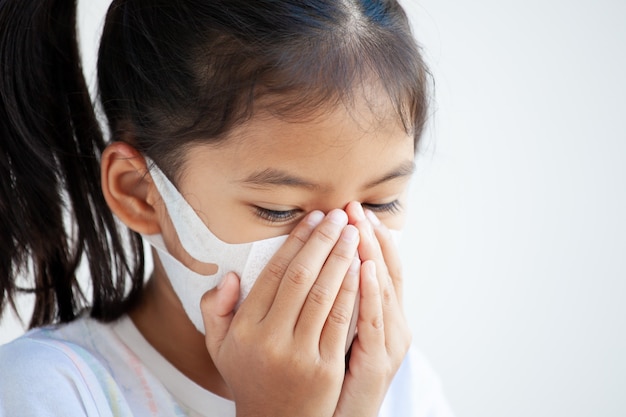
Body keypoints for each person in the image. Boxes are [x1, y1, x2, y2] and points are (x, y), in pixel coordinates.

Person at [0, 0, 454, 416]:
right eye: (280, 210)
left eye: (381, 202)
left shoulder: (399, 382)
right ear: (141, 193)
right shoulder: (49, 390)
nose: (343, 245)